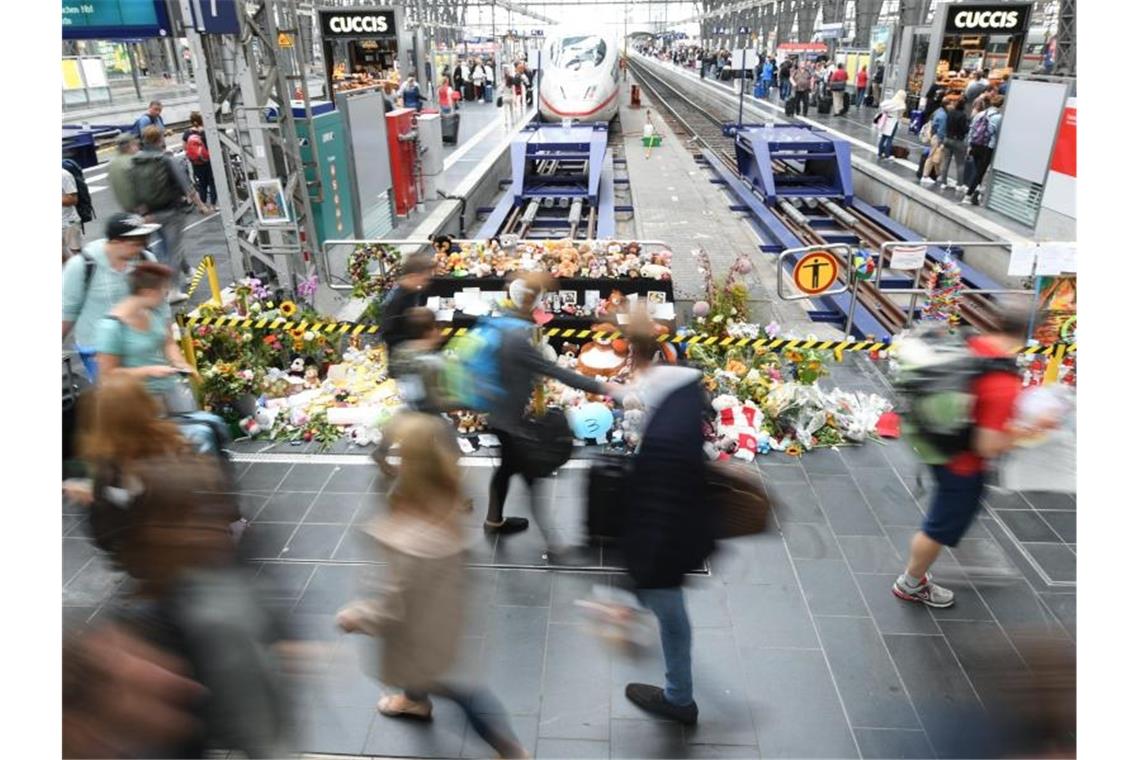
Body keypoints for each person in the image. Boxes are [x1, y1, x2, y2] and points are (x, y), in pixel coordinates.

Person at [336, 413, 528, 758]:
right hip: (444, 614)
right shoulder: (448, 489)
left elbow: (395, 605)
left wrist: (356, 616)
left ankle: (508, 748)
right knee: (430, 671)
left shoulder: (409, 535)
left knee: (452, 686)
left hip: (420, 629)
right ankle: (414, 700)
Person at [892, 307, 1049, 609]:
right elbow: (988, 446)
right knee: (938, 528)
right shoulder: (1004, 382)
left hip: (936, 442)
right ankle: (910, 583)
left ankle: (927, 563)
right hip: (962, 465)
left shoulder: (973, 343)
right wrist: (1031, 429)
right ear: (1030, 335)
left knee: (948, 515)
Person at [481, 272, 618, 555]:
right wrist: (601, 385)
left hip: (496, 411)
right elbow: (553, 370)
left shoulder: (503, 321)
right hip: (511, 420)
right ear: (531, 303)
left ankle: (493, 520)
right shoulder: (518, 337)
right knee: (533, 480)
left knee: (506, 469)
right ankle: (553, 545)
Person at [620, 325, 713, 726]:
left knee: (666, 609)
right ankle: (679, 692)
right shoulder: (685, 394)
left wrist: (643, 565)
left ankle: (680, 698)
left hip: (666, 542)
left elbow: (659, 500)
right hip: (684, 531)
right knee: (668, 610)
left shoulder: (664, 435)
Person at [63, 213, 165, 381]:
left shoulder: (146, 259)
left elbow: (161, 308)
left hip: (140, 349)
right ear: (116, 242)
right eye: (136, 242)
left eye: (143, 240)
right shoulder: (82, 266)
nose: (142, 247)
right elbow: (66, 315)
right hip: (98, 354)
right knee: (118, 403)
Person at [94, 262, 196, 404]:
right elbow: (108, 375)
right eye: (163, 291)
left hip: (170, 389)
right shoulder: (111, 327)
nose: (165, 296)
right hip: (140, 401)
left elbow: (168, 342)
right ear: (148, 293)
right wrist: (148, 371)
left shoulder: (156, 312)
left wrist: (179, 362)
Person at [133, 125, 208, 299]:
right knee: (173, 249)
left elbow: (133, 188)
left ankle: (188, 270)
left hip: (150, 213)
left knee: (167, 244)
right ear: (160, 139)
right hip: (172, 211)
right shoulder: (166, 159)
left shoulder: (136, 161)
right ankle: (173, 289)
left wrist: (141, 211)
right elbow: (186, 185)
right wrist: (201, 205)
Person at [376, 251, 435, 355]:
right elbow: (389, 337)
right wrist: (421, 344)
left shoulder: (414, 290)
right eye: (425, 279)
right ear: (413, 276)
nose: (426, 283)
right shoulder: (395, 302)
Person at [963, 94, 1003, 205]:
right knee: (980, 172)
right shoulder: (999, 117)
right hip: (987, 147)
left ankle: (977, 192)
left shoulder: (981, 114)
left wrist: (969, 144)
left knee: (977, 169)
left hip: (975, 144)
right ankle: (969, 195)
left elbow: (972, 129)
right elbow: (997, 134)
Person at [181, 112, 216, 212]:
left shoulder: (187, 133)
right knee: (212, 182)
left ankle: (203, 204)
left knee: (202, 183)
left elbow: (184, 147)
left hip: (196, 163)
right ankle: (213, 205)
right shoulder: (205, 132)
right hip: (208, 161)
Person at [939, 98, 970, 191]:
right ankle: (959, 184)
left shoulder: (950, 113)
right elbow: (964, 129)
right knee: (960, 163)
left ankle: (943, 182)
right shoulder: (963, 115)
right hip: (958, 140)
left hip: (948, 139)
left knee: (945, 161)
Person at [108, 132, 140, 212]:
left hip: (125, 209)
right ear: (131, 145)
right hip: (140, 208)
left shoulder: (112, 164)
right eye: (136, 144)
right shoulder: (133, 161)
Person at [918, 96, 947, 184]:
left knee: (935, 157)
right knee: (933, 157)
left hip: (934, 136)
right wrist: (941, 141)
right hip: (937, 137)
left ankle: (937, 175)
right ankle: (926, 176)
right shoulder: (943, 115)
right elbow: (941, 129)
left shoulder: (938, 111)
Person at [875, 89, 908, 160]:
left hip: (886, 120)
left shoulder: (889, 102)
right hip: (893, 121)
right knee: (890, 139)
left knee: (883, 137)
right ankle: (887, 154)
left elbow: (882, 107)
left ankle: (880, 152)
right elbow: (900, 115)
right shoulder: (901, 105)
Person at [63, 167, 83, 264]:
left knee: (77, 255)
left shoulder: (63, 175)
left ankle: (85, 274)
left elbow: (73, 200)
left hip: (69, 222)